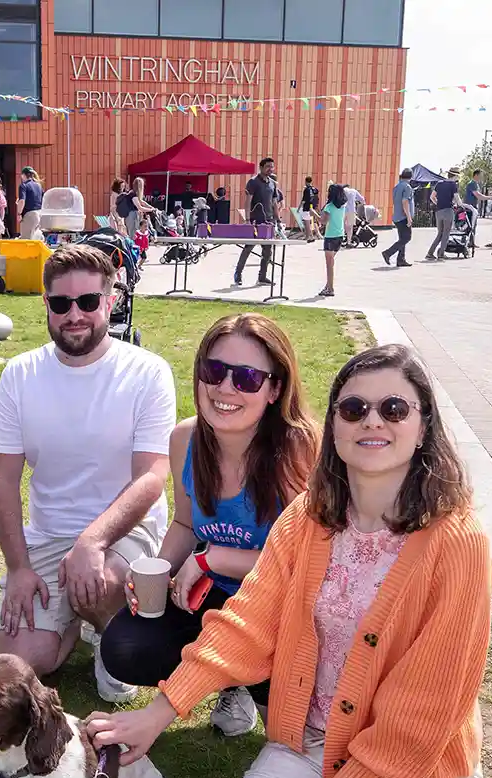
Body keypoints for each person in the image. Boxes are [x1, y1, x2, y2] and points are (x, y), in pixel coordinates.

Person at [84, 343, 490, 778]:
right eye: (353, 409)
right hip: (311, 742)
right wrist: (160, 712)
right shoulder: (307, 519)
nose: (372, 421)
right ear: (335, 426)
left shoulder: (456, 542)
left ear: (424, 425)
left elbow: (429, 706)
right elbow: (247, 621)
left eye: (394, 409)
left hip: (412, 769)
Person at [99, 313, 320, 737]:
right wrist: (158, 570)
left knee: (296, 737)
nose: (225, 388)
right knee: (126, 648)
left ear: (275, 389)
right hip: (210, 595)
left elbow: (306, 562)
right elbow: (185, 521)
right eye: (213, 371)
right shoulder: (185, 439)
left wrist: (212, 557)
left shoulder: (301, 450)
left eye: (248, 378)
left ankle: (253, 679)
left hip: (282, 606)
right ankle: (232, 679)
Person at [0, 244, 176, 700]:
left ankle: (113, 637)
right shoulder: (20, 374)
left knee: (100, 582)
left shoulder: (147, 372)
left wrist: (92, 541)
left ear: (110, 301)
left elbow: (151, 477)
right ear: (45, 305)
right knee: (17, 664)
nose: (76, 314)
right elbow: (2, 479)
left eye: (89, 302)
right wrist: (18, 568)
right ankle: (72, 619)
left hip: (123, 534)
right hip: (49, 536)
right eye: (61, 303)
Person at [235, 158, 280, 287]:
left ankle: (262, 277)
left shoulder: (273, 183)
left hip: (269, 221)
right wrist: (247, 219)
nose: (270, 169)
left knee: (267, 251)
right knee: (248, 248)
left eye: (272, 167)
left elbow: (274, 203)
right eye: (268, 167)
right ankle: (238, 274)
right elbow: (248, 201)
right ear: (261, 167)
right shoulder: (253, 182)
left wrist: (277, 219)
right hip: (255, 220)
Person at [319, 183, 348, 298]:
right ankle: (327, 286)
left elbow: (323, 222)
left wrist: (314, 214)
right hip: (340, 235)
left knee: (329, 265)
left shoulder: (329, 207)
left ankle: (330, 288)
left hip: (330, 236)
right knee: (331, 263)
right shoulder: (342, 206)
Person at [382, 168, 415, 268]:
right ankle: (388, 253)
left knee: (402, 239)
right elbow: (405, 202)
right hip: (403, 216)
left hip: (396, 215)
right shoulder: (407, 187)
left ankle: (401, 259)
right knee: (407, 238)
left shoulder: (397, 187)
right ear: (411, 177)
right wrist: (409, 217)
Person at [425, 168, 460, 262]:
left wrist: (438, 203)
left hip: (438, 211)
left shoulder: (439, 183)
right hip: (448, 210)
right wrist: (461, 205)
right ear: (455, 176)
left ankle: (430, 253)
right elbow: (457, 198)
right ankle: (441, 254)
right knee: (446, 233)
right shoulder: (453, 185)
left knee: (439, 233)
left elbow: (432, 197)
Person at [16, 166, 44, 239]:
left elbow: (22, 201)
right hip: (39, 214)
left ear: (23, 175)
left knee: (26, 239)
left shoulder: (24, 185)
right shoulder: (39, 185)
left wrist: (19, 214)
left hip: (29, 215)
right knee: (36, 238)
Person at [298, 175, 319, 241]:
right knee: (310, 223)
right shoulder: (314, 189)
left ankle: (308, 237)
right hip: (312, 207)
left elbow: (303, 200)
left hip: (306, 207)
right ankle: (311, 236)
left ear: (305, 181)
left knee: (307, 223)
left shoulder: (306, 190)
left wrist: (299, 208)